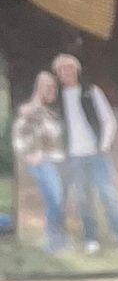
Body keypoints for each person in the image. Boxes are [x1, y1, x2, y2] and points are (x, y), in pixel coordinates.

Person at [50, 54, 118, 257]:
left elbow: (108, 120)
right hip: (73, 157)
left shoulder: (91, 91)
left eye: (70, 68)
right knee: (83, 198)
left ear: (76, 70)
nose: (66, 73)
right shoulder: (57, 99)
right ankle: (91, 238)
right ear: (58, 75)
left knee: (108, 195)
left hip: (96, 154)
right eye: (62, 70)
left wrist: (103, 145)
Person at [10, 74, 68, 255]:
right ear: (40, 88)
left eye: (54, 88)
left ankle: (58, 241)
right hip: (42, 163)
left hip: (55, 161)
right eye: (49, 87)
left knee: (56, 202)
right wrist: (27, 155)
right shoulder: (31, 110)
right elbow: (18, 134)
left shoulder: (50, 111)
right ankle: (53, 243)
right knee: (55, 201)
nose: (53, 91)